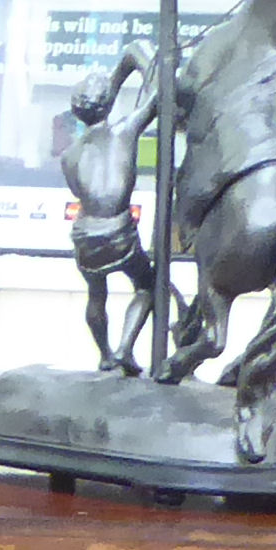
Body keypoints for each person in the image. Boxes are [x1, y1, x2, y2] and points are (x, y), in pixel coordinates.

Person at [63, 44, 164, 375]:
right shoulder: (124, 131)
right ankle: (122, 349)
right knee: (148, 284)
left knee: (96, 293)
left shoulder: (70, 155)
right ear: (108, 105)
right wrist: (138, 58)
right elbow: (159, 93)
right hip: (116, 231)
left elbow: (83, 191)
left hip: (85, 233)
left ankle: (106, 353)